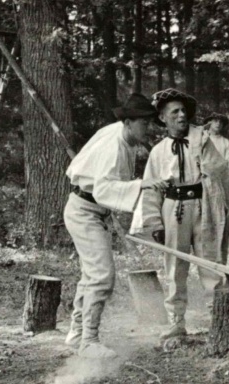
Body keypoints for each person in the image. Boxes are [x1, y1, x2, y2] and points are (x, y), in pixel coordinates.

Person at [64, 93, 171, 358]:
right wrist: (141, 184)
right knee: (101, 275)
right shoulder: (113, 145)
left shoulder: (123, 137)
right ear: (128, 122)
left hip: (95, 210)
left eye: (149, 123)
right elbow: (103, 189)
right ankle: (88, 341)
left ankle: (77, 333)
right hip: (84, 210)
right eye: (144, 123)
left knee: (91, 274)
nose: (147, 129)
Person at [132, 88, 229, 339]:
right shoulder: (158, 151)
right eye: (174, 112)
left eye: (183, 111)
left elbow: (220, 172)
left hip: (204, 206)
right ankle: (176, 322)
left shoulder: (203, 141)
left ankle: (217, 319)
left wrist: (202, 153)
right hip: (173, 209)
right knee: (175, 267)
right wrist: (155, 223)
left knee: (210, 261)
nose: (181, 116)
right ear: (163, 118)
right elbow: (151, 189)